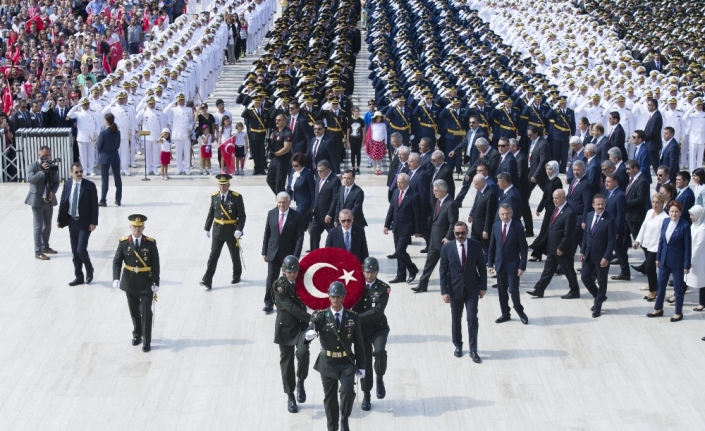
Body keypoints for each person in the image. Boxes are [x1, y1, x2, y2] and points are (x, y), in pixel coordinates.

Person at [304, 282, 365, 431]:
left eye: (338, 296)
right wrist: (309, 335)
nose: (335, 300)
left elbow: (359, 343)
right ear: (329, 297)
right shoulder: (321, 316)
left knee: (348, 391)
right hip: (328, 362)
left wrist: (362, 366)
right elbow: (312, 327)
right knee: (330, 398)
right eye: (332, 296)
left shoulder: (352, 317)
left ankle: (344, 418)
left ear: (343, 297)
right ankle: (332, 427)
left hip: (346, 361)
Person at [439, 221, 487, 363]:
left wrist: (483, 287)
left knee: (472, 318)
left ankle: (473, 350)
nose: (460, 236)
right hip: (454, 289)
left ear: (467, 232)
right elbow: (443, 271)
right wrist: (444, 291)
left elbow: (482, 267)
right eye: (457, 233)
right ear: (453, 233)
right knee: (456, 319)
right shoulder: (447, 248)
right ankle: (458, 345)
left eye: (463, 233)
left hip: (472, 288)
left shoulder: (475, 245)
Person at [112, 214, 160, 353]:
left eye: (139, 227)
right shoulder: (123, 242)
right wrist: (116, 278)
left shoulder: (150, 243)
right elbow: (117, 261)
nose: (137, 229)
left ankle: (146, 341)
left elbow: (155, 263)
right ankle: (137, 334)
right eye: (134, 226)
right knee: (134, 311)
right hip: (130, 282)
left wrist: (156, 282)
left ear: (143, 227)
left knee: (145, 311)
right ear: (130, 227)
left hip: (146, 282)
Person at [272, 255, 311, 414]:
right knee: (286, 363)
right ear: (283, 270)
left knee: (303, 353)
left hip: (301, 327)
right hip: (286, 326)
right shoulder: (279, 286)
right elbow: (290, 306)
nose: (292, 275)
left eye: (294, 271)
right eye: (289, 272)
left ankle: (300, 381)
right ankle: (290, 396)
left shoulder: (303, 282)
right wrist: (312, 318)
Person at [351, 257, 390, 411]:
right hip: (361, 331)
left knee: (379, 352)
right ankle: (366, 394)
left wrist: (357, 318)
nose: (369, 275)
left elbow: (378, 311)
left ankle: (380, 377)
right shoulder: (355, 286)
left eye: (372, 272)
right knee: (364, 362)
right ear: (363, 271)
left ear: (377, 272)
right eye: (367, 272)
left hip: (378, 328)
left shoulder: (383, 288)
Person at [527, 189, 579, 298]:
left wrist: (561, 247)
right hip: (552, 247)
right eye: (554, 198)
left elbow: (568, 234)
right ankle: (539, 289)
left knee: (568, 270)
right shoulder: (556, 209)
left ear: (564, 198)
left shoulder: (569, 212)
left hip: (563, 249)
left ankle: (574, 291)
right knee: (548, 269)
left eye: (557, 198)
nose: (554, 200)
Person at [200, 174, 246, 290]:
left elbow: (242, 215)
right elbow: (211, 212)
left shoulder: (236, 197)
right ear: (218, 185)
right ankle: (207, 280)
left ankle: (237, 275)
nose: (222, 187)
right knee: (213, 256)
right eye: (220, 184)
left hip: (231, 231)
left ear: (229, 185)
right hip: (218, 231)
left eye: (225, 185)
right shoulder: (214, 196)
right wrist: (207, 227)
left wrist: (239, 229)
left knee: (234, 255)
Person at [648, 201, 691, 322]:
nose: (674, 214)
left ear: (680, 212)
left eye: (676, 211)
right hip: (664, 260)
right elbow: (661, 241)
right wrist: (658, 258)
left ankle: (678, 312)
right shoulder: (666, 222)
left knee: (678, 288)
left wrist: (686, 265)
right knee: (661, 285)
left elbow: (688, 247)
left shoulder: (685, 226)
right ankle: (658, 308)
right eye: (672, 211)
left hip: (678, 262)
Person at [262, 192, 305, 313]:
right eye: (279, 202)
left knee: (290, 280)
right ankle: (268, 302)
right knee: (271, 278)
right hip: (273, 252)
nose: (281, 204)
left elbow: (299, 238)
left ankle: (290, 303)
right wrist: (264, 251)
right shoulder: (272, 213)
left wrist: (295, 256)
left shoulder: (296, 216)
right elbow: (267, 233)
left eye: (284, 202)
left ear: (289, 202)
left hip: (289, 255)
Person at [56, 163, 99, 286]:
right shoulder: (68, 184)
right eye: (77, 172)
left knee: (81, 249)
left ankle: (89, 269)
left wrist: (93, 222)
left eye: (81, 171)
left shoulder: (89, 186)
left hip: (85, 223)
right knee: (75, 251)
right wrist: (59, 220)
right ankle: (79, 276)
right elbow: (64, 202)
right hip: (72, 221)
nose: (79, 174)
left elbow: (94, 206)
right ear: (71, 173)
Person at [415, 180, 459, 293]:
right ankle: (422, 285)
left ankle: (451, 287)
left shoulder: (451, 204)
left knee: (447, 267)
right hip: (434, 241)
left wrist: (448, 237)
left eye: (436, 191)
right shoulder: (439, 201)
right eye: (434, 190)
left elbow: (453, 223)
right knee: (428, 264)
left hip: (444, 241)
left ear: (444, 191)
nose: (434, 193)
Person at [488, 204, 529, 324]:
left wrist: (522, 266)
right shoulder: (495, 226)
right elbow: (492, 247)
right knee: (501, 292)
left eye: (507, 214)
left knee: (513, 290)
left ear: (511, 214)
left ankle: (519, 310)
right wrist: (490, 264)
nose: (505, 216)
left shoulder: (517, 227)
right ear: (499, 215)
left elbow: (523, 249)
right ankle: (505, 313)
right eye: (502, 214)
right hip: (500, 265)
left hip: (513, 266)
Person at [579, 195, 616, 318]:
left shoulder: (609, 219)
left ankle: (598, 305)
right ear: (593, 205)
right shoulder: (589, 216)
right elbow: (586, 236)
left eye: (602, 204)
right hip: (589, 254)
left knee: (602, 281)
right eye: (598, 204)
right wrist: (582, 250)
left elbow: (611, 241)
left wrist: (606, 257)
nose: (601, 207)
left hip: (602, 257)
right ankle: (599, 296)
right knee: (585, 277)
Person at [384, 173, 422, 283]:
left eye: (401, 182)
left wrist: (418, 230)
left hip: (407, 228)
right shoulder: (396, 192)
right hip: (396, 226)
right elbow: (391, 209)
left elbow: (417, 215)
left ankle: (413, 269)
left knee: (400, 250)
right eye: (397, 182)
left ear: (407, 182)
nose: (398, 184)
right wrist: (386, 224)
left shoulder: (414, 195)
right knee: (398, 251)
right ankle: (401, 275)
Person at [25, 146, 60, 260]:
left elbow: (56, 182)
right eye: (45, 155)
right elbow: (31, 179)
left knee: (47, 226)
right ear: (39, 155)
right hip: (37, 201)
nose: (47, 157)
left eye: (49, 155)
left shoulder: (52, 166)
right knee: (38, 227)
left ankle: (45, 247)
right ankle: (38, 251)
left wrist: (53, 192)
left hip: (48, 201)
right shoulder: (33, 166)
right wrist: (41, 171)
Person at [633, 194, 669, 301]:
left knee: (648, 267)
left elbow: (663, 235)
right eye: (653, 202)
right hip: (646, 245)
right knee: (651, 269)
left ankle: (653, 291)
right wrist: (638, 240)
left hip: (656, 247)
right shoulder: (649, 212)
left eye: (658, 202)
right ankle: (652, 288)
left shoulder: (665, 218)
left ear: (662, 204)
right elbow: (644, 225)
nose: (655, 204)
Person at [530, 161, 564, 261]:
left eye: (550, 169)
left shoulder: (557, 181)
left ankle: (538, 252)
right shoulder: (548, 180)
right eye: (547, 169)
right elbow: (545, 196)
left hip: (554, 209)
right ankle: (538, 253)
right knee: (544, 230)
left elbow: (558, 198)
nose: (548, 171)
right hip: (548, 208)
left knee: (547, 231)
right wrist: (539, 208)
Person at [310, 160, 342, 251]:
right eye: (318, 171)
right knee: (314, 234)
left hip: (328, 217)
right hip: (317, 215)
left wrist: (330, 214)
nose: (319, 173)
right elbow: (317, 195)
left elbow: (335, 199)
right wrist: (314, 207)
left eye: (321, 171)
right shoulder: (318, 178)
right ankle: (314, 255)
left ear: (328, 169)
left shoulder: (335, 180)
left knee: (334, 237)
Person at [67, 97, 100, 176]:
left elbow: (97, 125)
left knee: (91, 153)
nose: (86, 105)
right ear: (82, 105)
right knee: (82, 155)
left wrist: (96, 134)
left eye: (88, 104)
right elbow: (69, 114)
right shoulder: (78, 113)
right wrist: (76, 106)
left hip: (92, 136)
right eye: (84, 104)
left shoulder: (93, 113)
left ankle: (91, 169)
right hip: (82, 136)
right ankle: (84, 169)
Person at [468, 174, 497, 259]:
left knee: (488, 247)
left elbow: (489, 213)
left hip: (483, 228)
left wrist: (486, 230)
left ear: (483, 182)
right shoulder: (480, 191)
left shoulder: (490, 193)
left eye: (476, 184)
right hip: (476, 227)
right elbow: (476, 204)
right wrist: (471, 214)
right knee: (473, 246)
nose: (474, 186)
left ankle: (493, 262)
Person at [97, 113, 122, 207]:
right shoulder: (117, 132)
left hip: (105, 156)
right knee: (117, 179)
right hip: (115, 155)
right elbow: (118, 145)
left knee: (105, 179)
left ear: (106, 121)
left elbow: (99, 146)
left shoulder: (103, 133)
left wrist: (102, 152)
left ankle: (103, 200)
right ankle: (118, 199)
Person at [685, 205, 705, 313]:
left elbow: (698, 247)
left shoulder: (702, 229)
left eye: (692, 215)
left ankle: (702, 303)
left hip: (699, 260)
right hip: (691, 257)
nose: (690, 217)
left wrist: (692, 261)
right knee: (686, 277)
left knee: (702, 281)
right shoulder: (694, 226)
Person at [268, 114, 294, 195]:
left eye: (279, 120)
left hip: (283, 160)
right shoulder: (274, 132)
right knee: (270, 179)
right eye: (276, 120)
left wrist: (275, 154)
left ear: (285, 121)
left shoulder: (287, 133)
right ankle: (281, 197)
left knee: (280, 182)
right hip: (274, 159)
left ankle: (282, 199)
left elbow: (286, 148)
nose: (277, 122)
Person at [347, 106, 365, 174]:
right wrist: (348, 141)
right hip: (352, 140)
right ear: (353, 112)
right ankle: (353, 167)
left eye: (358, 111)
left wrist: (363, 141)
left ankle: (358, 167)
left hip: (359, 139)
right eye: (356, 111)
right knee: (352, 154)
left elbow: (363, 131)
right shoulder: (350, 120)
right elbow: (348, 131)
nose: (357, 112)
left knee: (358, 154)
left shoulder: (361, 120)